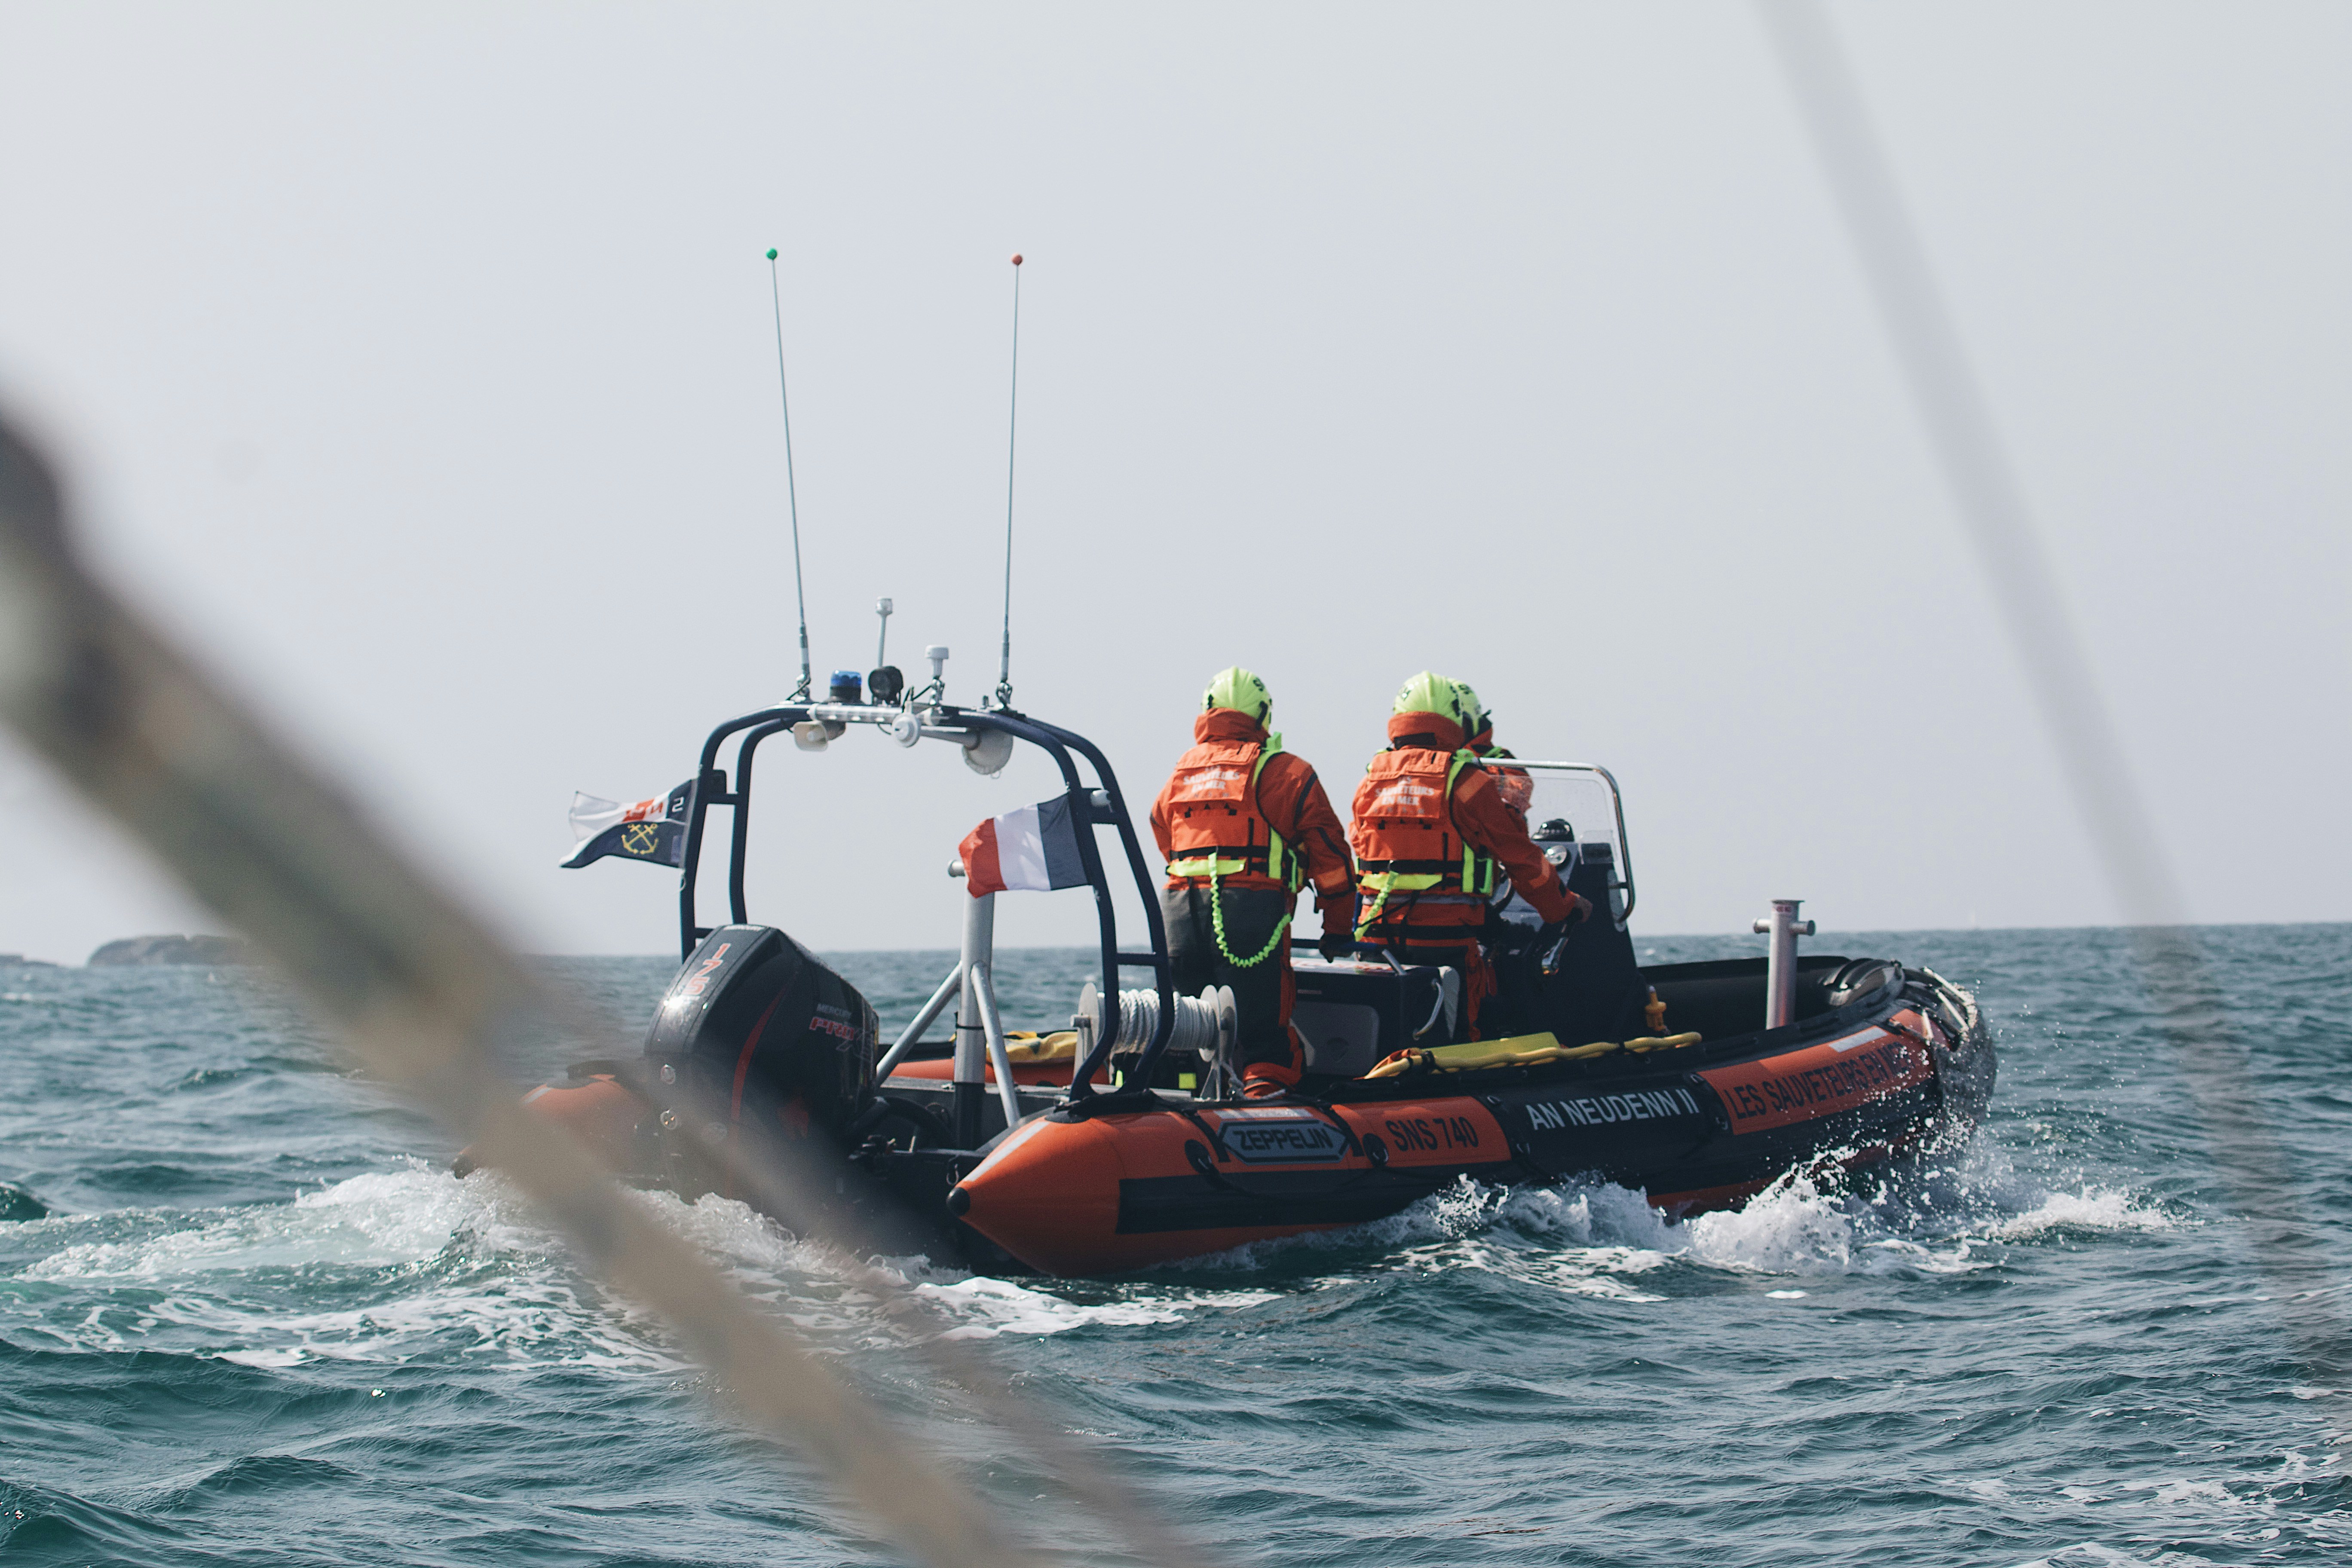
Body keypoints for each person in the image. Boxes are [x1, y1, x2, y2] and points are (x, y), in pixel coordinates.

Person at [1150, 668, 1357, 1098]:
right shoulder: (1287, 773)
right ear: (1263, 716)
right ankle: (1267, 1112)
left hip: (1179, 916)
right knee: (1265, 1035)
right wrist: (1337, 929)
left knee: (1189, 1026)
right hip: (1251, 916)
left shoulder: (1180, 774)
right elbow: (1331, 859)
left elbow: (1161, 829)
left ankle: (1185, 1102)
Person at [1349, 672, 1588, 1039]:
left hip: (1377, 936)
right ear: (1455, 719)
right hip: (1445, 939)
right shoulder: (1467, 780)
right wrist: (1563, 906)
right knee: (1458, 1034)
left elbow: (1359, 848)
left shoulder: (1371, 779)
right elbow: (1519, 855)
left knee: (1382, 1031)